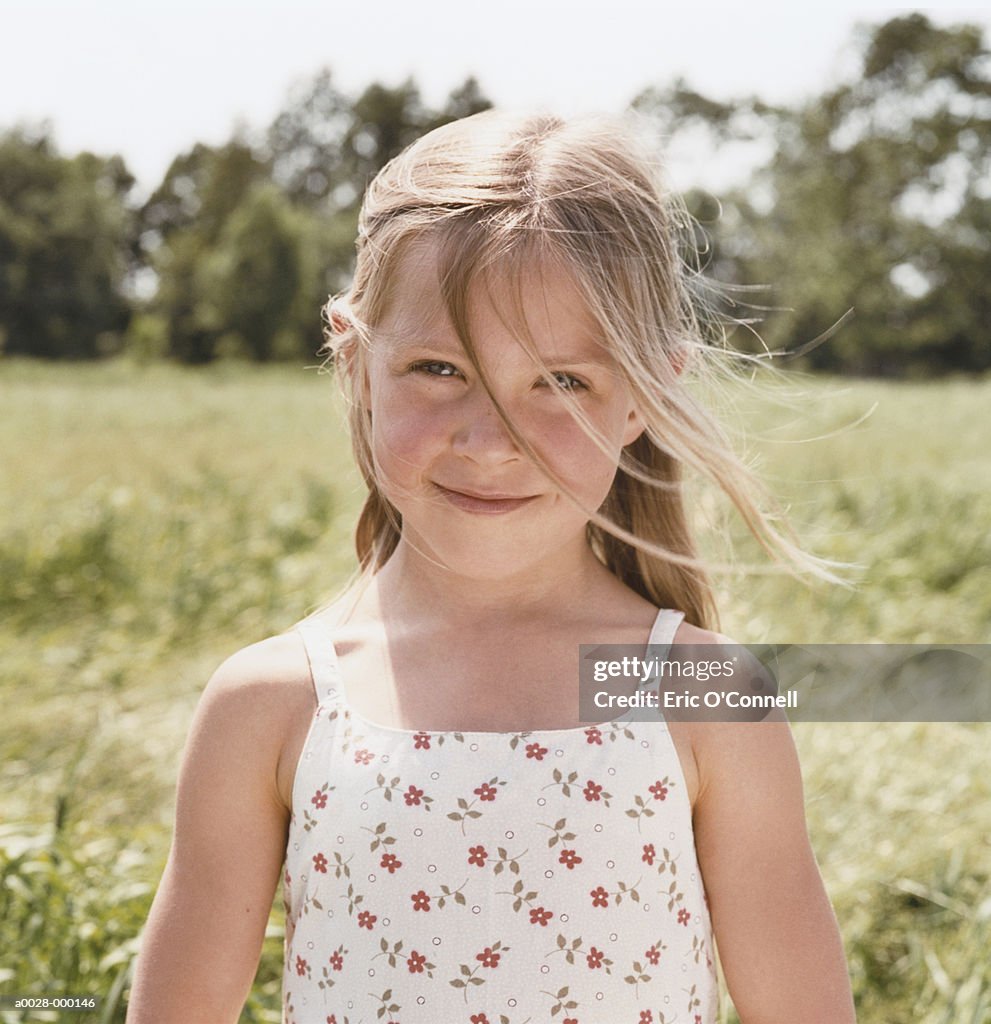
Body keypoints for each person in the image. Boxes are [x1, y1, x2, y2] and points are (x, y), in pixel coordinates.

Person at [127, 110, 856, 1024]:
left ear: (647, 394)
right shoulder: (272, 704)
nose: (491, 439)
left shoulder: (704, 693)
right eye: (439, 368)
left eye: (560, 382)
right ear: (355, 360)